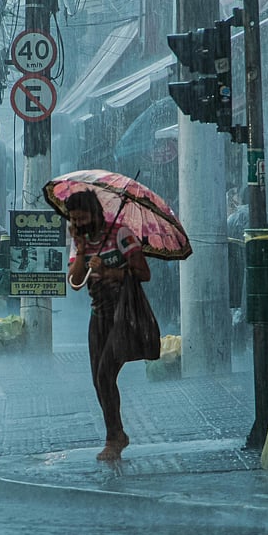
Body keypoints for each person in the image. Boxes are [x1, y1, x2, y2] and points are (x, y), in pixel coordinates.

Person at [65, 190, 152, 461]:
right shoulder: (81, 241)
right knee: (99, 380)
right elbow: (76, 282)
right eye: (73, 219)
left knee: (105, 375)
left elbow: (143, 273)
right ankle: (117, 434)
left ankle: (114, 438)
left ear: (95, 213)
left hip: (123, 315)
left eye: (82, 218)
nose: (78, 224)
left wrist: (110, 271)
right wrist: (80, 251)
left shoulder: (120, 234)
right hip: (98, 316)